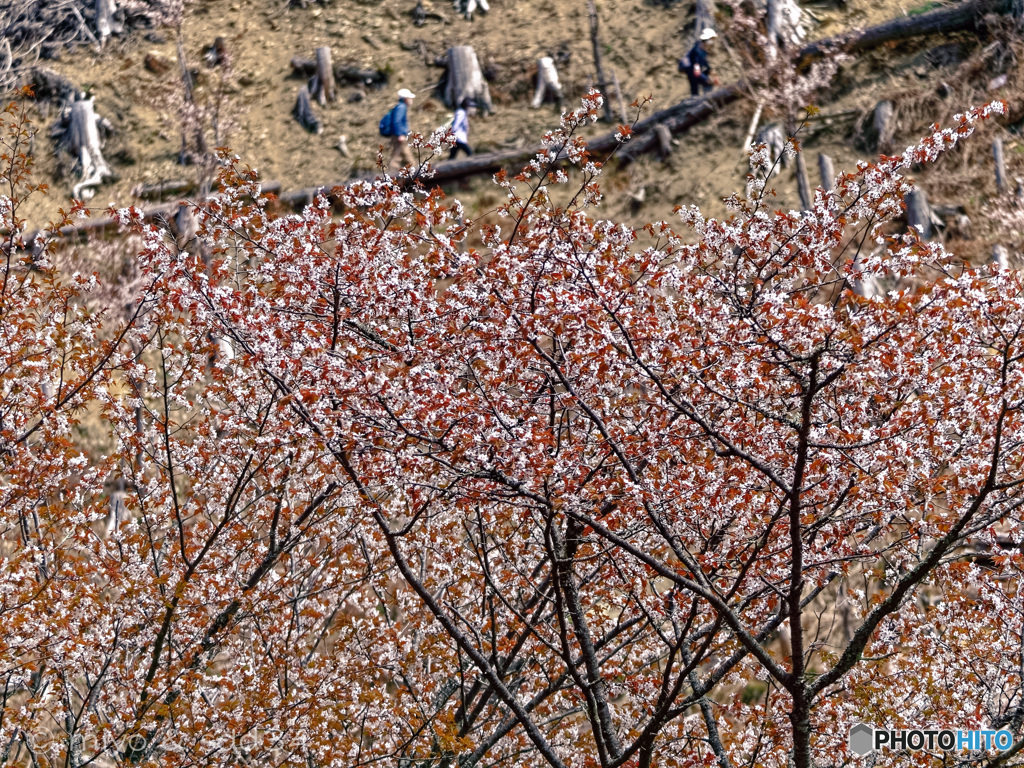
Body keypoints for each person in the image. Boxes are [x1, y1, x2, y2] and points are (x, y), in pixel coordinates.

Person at [680, 28, 719, 97]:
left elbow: (704, 63)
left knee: (695, 91)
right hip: (692, 72)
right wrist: (705, 79)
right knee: (703, 85)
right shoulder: (698, 50)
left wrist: (710, 72)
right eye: (711, 39)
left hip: (692, 72)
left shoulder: (701, 49)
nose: (712, 41)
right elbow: (696, 68)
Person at [384, 88, 415, 172]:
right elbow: (397, 121)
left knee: (400, 155)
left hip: (399, 135)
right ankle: (416, 172)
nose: (411, 100)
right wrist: (400, 134)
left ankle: (415, 171)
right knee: (398, 156)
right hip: (399, 136)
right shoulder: (401, 107)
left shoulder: (400, 107)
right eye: (410, 98)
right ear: (406, 99)